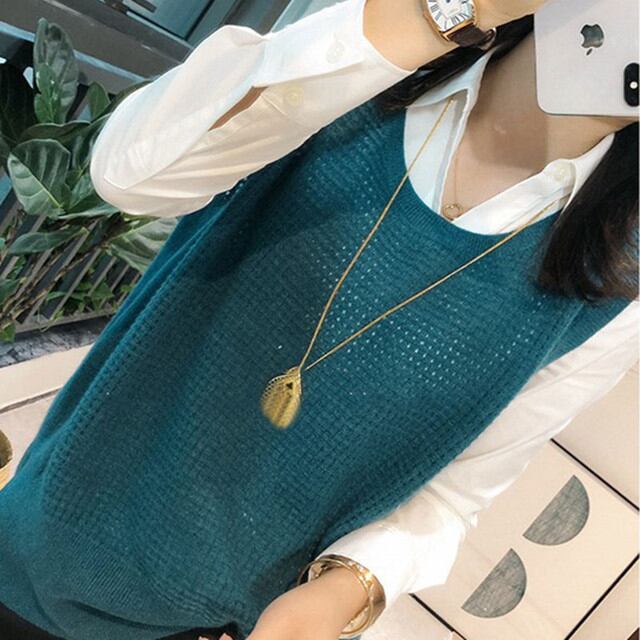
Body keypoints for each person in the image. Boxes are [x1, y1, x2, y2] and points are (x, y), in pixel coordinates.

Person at [0, 0, 637, 638]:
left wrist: (350, 587)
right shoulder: (364, 64)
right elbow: (129, 174)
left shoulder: (611, 288)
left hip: (207, 626)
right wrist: (445, 13)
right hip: (34, 554)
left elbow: (453, 493)